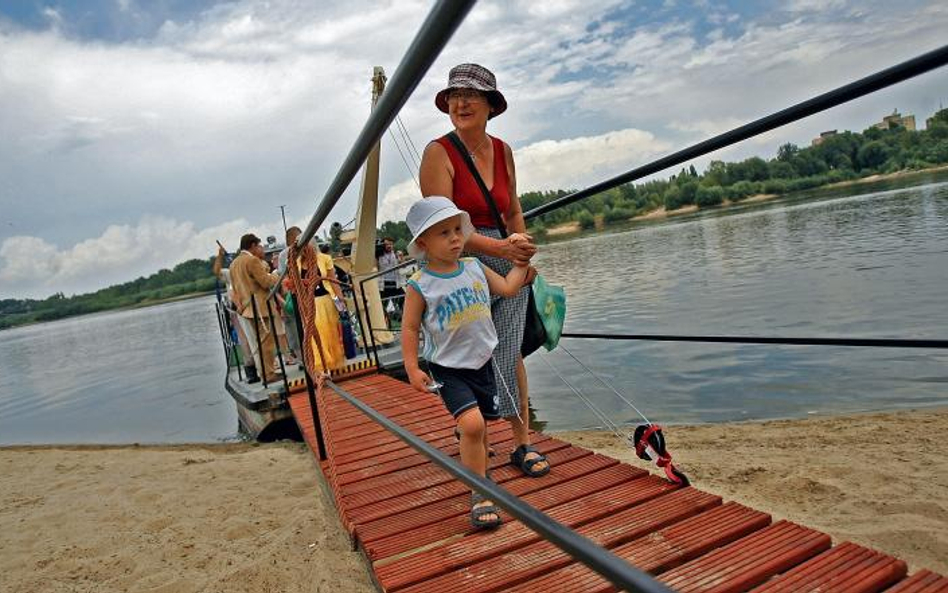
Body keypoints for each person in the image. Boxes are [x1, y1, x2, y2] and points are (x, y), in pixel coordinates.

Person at [419, 63, 550, 477]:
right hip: (458, 260)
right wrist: (500, 246)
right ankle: (475, 437)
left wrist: (522, 249)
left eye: (471, 95)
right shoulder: (438, 152)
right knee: (467, 350)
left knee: (509, 350)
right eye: (455, 95)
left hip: (504, 253)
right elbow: (443, 226)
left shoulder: (503, 150)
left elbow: (512, 210)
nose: (461, 102)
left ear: (490, 105)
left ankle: (521, 441)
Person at [401, 196, 528, 530]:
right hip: (448, 368)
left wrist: (522, 261)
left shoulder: (473, 266)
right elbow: (411, 328)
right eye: (444, 233)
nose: (455, 238)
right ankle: (480, 491)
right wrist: (413, 367)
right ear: (423, 242)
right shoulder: (420, 284)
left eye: (458, 229)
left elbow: (508, 288)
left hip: (482, 362)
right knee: (473, 426)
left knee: (483, 427)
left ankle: (479, 467)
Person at [229, 233, 282, 383]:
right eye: (259, 245)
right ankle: (269, 374)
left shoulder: (234, 264)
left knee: (259, 343)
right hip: (260, 308)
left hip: (247, 309)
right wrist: (278, 275)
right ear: (252, 245)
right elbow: (265, 282)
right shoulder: (251, 260)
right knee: (266, 343)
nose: (261, 248)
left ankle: (264, 372)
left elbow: (235, 289)